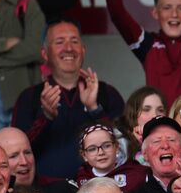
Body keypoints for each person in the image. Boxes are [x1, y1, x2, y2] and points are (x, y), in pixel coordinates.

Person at [12, 19, 124, 181]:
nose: (69, 48)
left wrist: (94, 109)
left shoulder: (107, 93)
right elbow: (18, 156)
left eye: (74, 41)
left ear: (83, 50)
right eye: (59, 42)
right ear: (45, 54)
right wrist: (46, 118)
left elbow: (123, 149)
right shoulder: (29, 98)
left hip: (100, 191)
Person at [0, 0, 45, 140]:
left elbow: (34, 50)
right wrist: (6, 44)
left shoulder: (26, 4)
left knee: (22, 152)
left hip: (20, 91)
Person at [75, 123, 147, 193]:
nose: (101, 153)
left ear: (117, 148)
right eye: (92, 149)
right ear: (84, 155)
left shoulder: (136, 174)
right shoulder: (81, 178)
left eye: (107, 146)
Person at [113, 86, 167, 163]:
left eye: (160, 110)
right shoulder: (119, 141)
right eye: (146, 109)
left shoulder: (169, 141)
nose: (154, 115)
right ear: (133, 114)